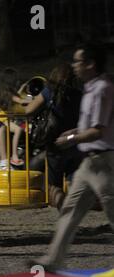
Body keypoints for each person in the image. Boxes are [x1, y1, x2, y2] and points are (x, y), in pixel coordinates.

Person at [28, 44, 114, 271]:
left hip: (104, 161)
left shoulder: (102, 88)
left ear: (90, 64)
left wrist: (72, 139)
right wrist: (74, 133)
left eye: (78, 61)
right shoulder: (89, 88)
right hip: (89, 161)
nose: (74, 66)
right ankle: (53, 260)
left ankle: (53, 259)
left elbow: (98, 130)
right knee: (69, 211)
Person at [23, 64, 83, 210]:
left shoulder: (49, 92)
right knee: (72, 180)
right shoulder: (79, 93)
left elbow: (29, 110)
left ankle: (64, 210)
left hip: (55, 142)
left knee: (54, 186)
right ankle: (72, 208)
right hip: (75, 140)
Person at [0, 68, 30, 168]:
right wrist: (37, 100)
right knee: (18, 129)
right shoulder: (7, 93)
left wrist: (22, 89)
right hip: (3, 119)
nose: (17, 81)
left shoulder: (6, 91)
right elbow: (21, 101)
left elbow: (16, 97)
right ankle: (14, 155)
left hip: (6, 118)